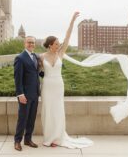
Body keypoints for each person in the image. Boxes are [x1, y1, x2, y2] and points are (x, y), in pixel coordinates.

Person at [40, 12, 93, 149]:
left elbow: (67, 36)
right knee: (47, 111)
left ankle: (57, 138)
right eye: (56, 44)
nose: (58, 45)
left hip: (58, 85)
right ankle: (48, 138)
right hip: (46, 85)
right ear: (50, 45)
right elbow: (37, 72)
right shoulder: (41, 57)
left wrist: (72, 20)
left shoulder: (60, 54)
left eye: (58, 43)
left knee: (58, 111)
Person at [13, 36, 40, 151]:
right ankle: (17, 141)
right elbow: (17, 78)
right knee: (22, 118)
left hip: (35, 93)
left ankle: (28, 139)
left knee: (31, 118)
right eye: (29, 42)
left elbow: (36, 73)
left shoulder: (35, 56)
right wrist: (20, 94)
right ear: (24, 43)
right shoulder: (20, 58)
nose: (31, 44)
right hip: (25, 95)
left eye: (33, 43)